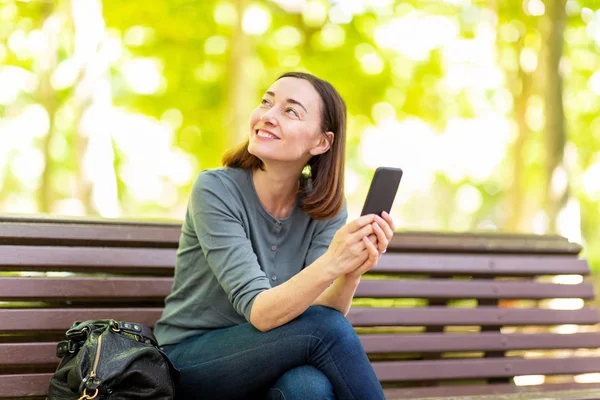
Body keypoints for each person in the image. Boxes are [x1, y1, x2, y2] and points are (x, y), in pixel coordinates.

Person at [154, 71, 395, 400]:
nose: (267, 116)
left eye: (290, 111)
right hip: (191, 362)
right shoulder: (215, 190)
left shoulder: (325, 208)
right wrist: (333, 262)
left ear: (322, 142)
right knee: (325, 330)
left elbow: (321, 309)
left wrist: (351, 271)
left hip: (273, 356)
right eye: (267, 102)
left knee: (308, 387)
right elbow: (262, 312)